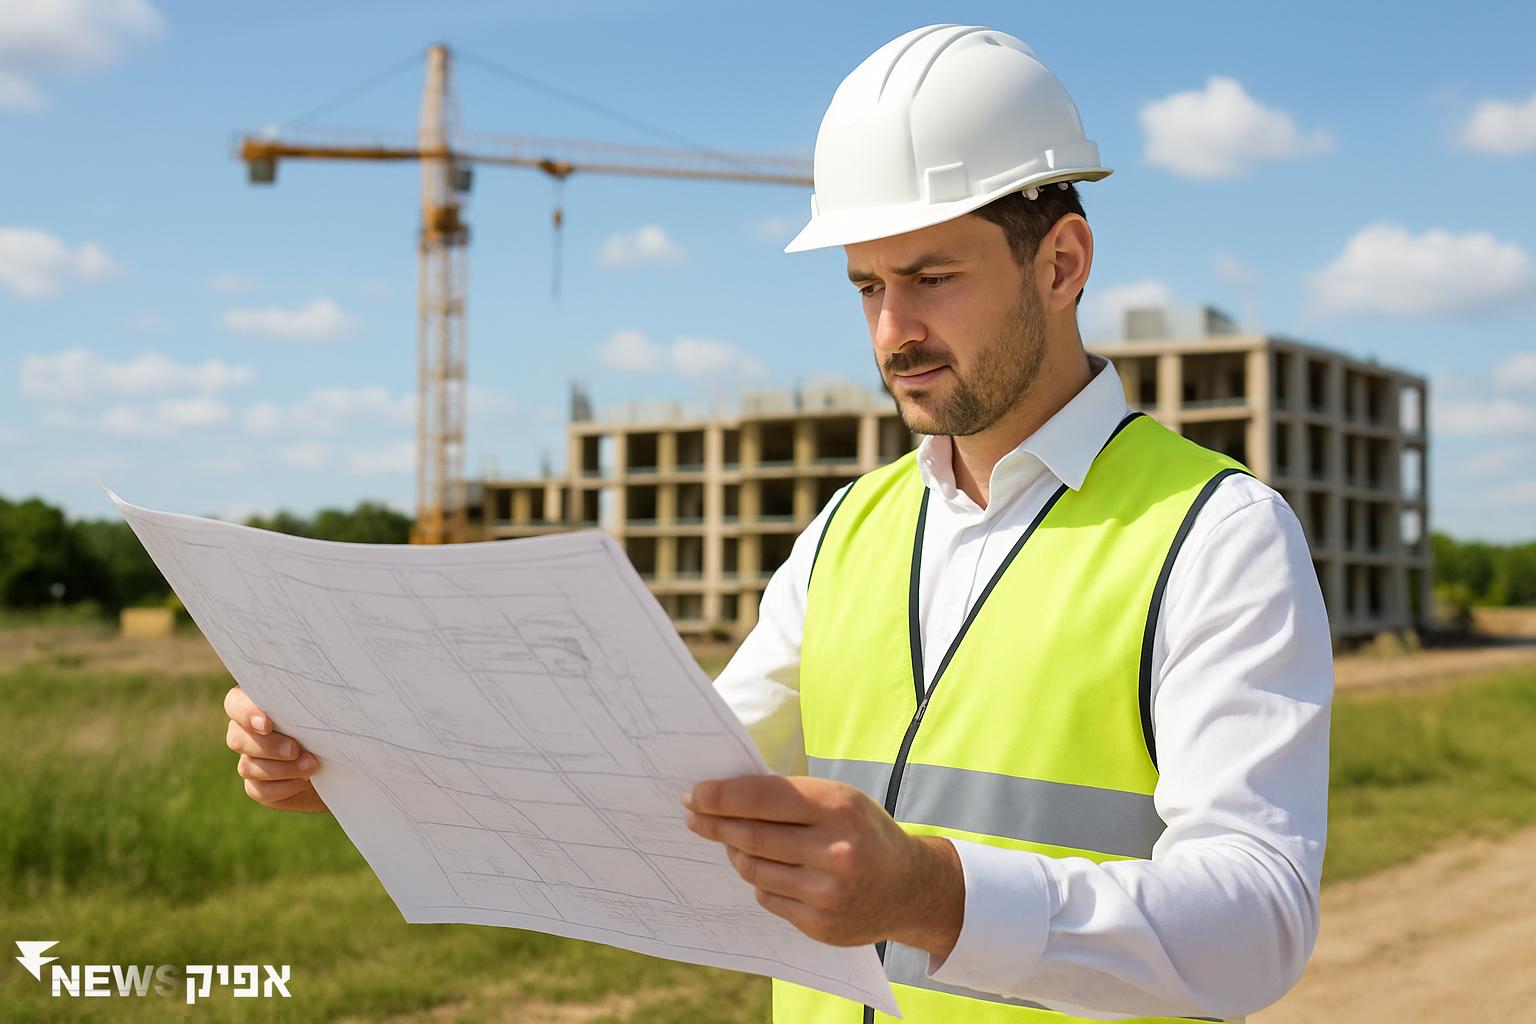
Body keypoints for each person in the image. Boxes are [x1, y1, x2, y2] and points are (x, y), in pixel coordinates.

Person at [225, 25, 1331, 1024]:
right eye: (865, 287)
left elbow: (1258, 924)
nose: (894, 330)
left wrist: (936, 893)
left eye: (931, 276)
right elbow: (653, 795)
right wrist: (363, 749)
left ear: (1062, 262)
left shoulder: (1216, 535)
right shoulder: (849, 531)